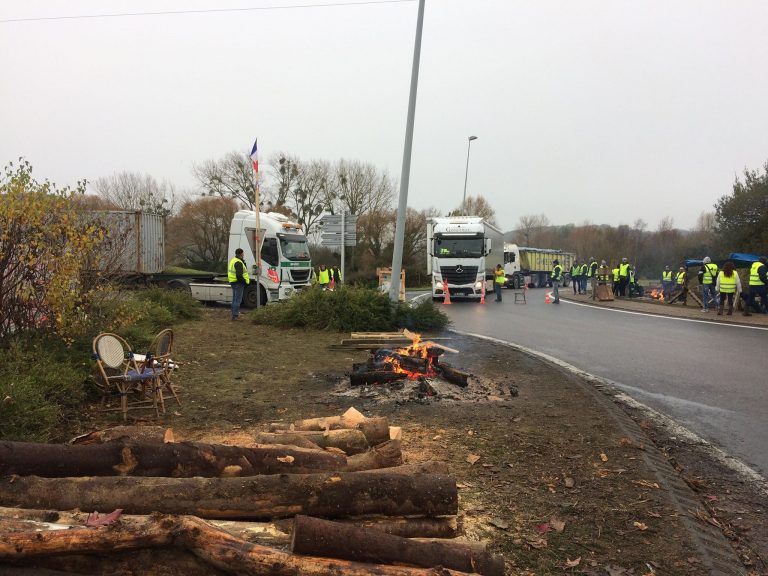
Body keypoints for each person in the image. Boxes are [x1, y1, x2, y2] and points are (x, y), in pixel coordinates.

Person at [228, 248, 250, 320]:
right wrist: (244, 282)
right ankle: (235, 316)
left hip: (233, 282)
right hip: (238, 283)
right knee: (238, 300)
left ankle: (234, 314)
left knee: (235, 299)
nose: (243, 255)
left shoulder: (233, 260)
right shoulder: (238, 262)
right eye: (243, 253)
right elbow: (239, 275)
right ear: (241, 254)